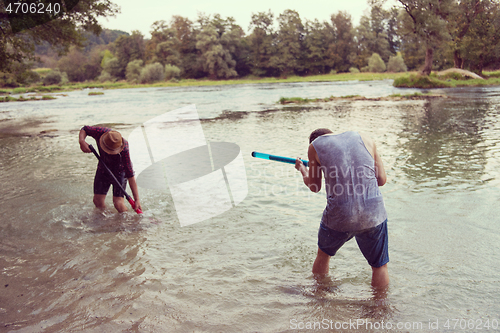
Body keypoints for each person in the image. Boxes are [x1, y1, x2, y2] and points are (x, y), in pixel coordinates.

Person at [295, 129, 389, 288]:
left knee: (323, 255)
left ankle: (321, 296)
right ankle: (379, 308)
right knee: (379, 266)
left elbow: (314, 186)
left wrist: (303, 169)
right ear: (332, 134)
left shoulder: (314, 146)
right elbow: (381, 180)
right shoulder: (366, 137)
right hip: (373, 213)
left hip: (340, 215)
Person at [79, 126, 142, 213]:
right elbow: (84, 129)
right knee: (97, 201)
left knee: (118, 204)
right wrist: (82, 141)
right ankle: (106, 221)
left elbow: (130, 175)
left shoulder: (124, 149)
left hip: (120, 172)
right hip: (103, 168)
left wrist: (137, 200)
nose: (110, 153)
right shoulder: (100, 132)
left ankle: (127, 222)